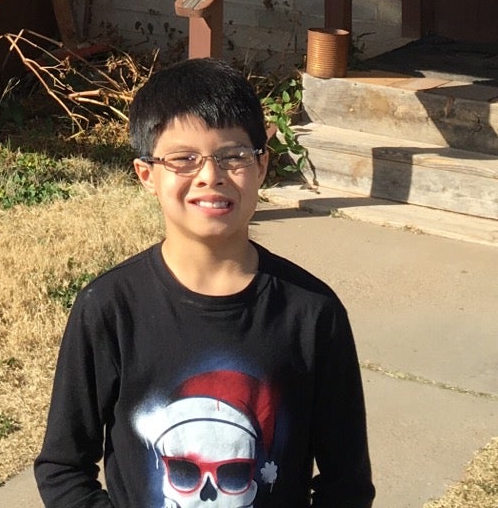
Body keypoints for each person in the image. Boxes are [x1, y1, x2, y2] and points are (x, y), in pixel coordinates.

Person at [36, 58, 374, 507]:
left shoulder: (312, 312)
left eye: (233, 155)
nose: (210, 175)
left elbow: (346, 482)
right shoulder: (110, 308)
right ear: (146, 175)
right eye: (183, 159)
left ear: (262, 165)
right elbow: (63, 468)